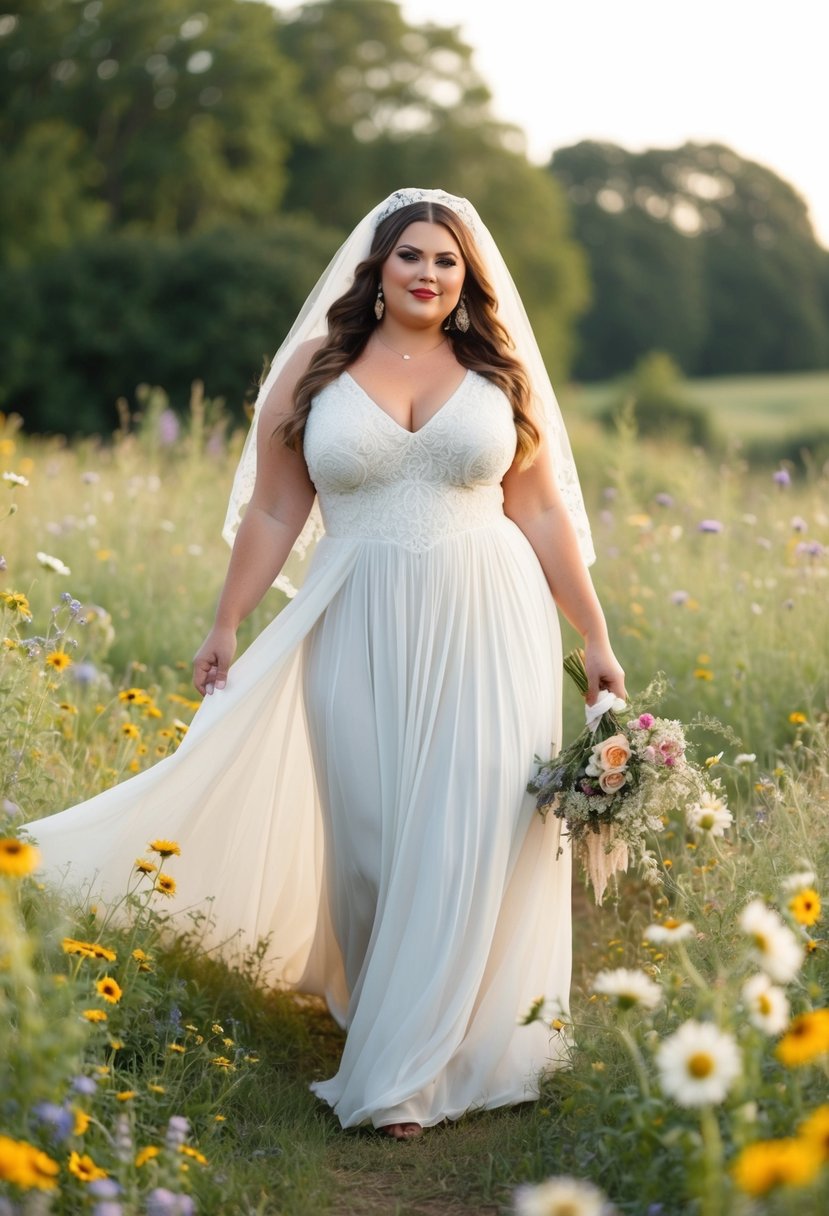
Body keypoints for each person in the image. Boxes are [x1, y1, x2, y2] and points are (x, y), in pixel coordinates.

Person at [27, 188, 625, 1141]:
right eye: (411, 258)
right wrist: (226, 622)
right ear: (377, 270)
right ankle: (382, 1005)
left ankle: (407, 1074)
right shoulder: (315, 368)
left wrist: (593, 637)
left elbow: (543, 511)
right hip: (352, 617)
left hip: (490, 616)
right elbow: (274, 510)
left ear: (466, 280)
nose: (428, 275)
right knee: (374, 829)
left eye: (446, 263)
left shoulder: (494, 371)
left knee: (469, 822)